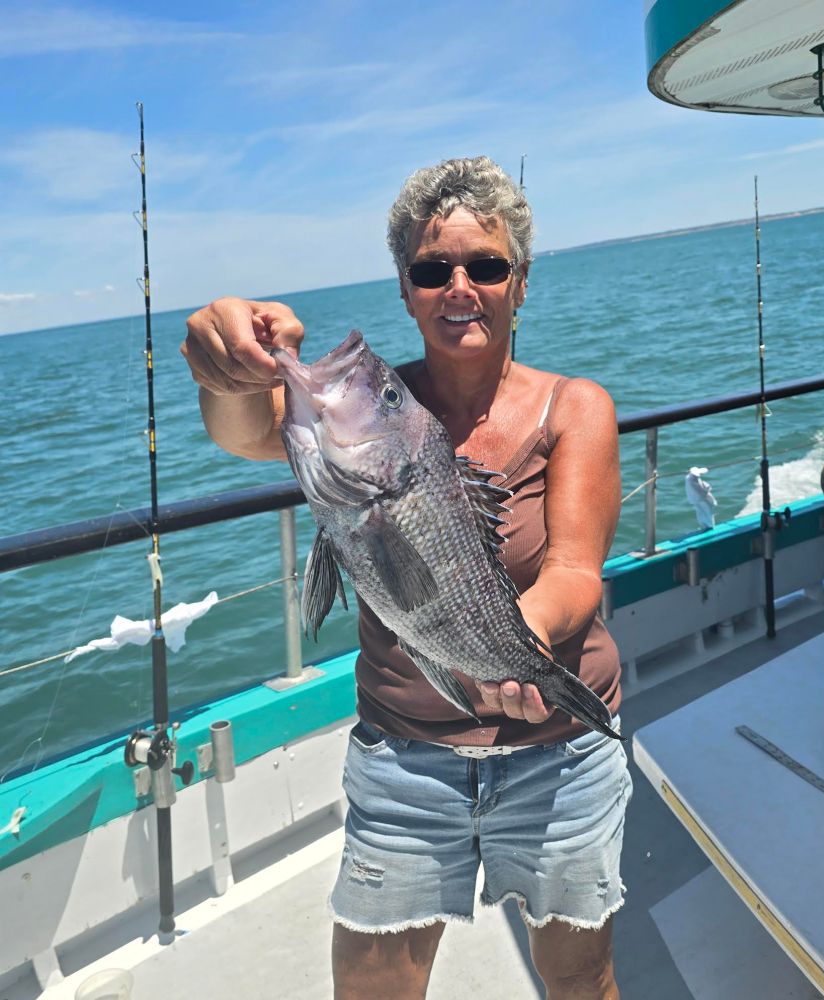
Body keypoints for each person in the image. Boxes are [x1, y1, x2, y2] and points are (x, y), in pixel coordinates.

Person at [182, 156, 630, 1000]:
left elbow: (574, 568)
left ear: (520, 284)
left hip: (557, 751)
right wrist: (230, 361)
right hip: (405, 759)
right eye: (432, 271)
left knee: (579, 978)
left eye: (486, 267)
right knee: (371, 984)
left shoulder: (575, 407)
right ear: (406, 290)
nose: (460, 286)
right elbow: (246, 427)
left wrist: (514, 653)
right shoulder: (366, 411)